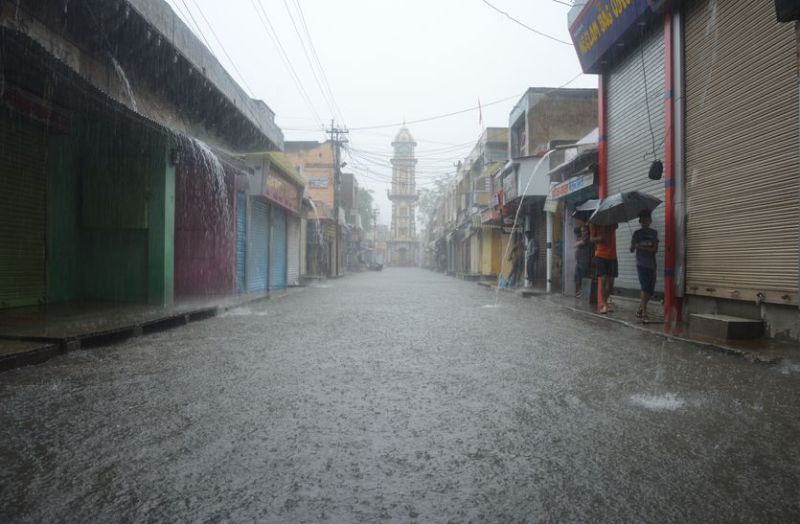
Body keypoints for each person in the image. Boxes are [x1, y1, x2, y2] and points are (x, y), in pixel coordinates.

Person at [630, 210, 659, 322]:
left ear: (650, 221)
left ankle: (640, 308)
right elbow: (631, 249)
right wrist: (633, 246)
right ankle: (645, 314)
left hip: (652, 264)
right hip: (641, 264)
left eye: (647, 220)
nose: (645, 222)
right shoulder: (637, 234)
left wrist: (640, 247)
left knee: (650, 290)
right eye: (643, 220)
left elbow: (654, 250)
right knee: (644, 287)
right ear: (640, 221)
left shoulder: (654, 233)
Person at [590, 222, 618, 314]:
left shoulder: (612, 221)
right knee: (603, 279)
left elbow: (616, 225)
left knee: (610, 283)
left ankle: (606, 302)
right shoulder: (594, 223)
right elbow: (591, 239)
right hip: (601, 255)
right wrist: (599, 238)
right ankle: (604, 304)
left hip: (612, 255)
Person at [573, 224, 592, 298]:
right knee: (577, 277)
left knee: (583, 277)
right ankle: (579, 292)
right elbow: (575, 244)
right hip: (579, 261)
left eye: (584, 231)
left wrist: (577, 242)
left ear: (587, 231)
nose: (583, 232)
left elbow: (577, 244)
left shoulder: (587, 238)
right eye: (582, 231)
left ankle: (583, 292)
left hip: (585, 261)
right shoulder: (582, 237)